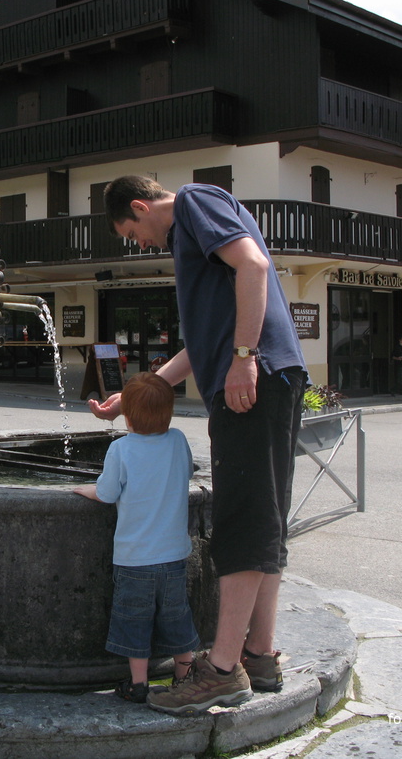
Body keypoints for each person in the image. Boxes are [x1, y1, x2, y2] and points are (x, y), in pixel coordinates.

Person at [89, 176, 307, 714]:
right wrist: (141, 394)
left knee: (244, 523)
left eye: (132, 232)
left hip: (255, 382)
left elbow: (253, 265)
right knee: (265, 518)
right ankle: (258, 655)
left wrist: (243, 358)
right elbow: (199, 343)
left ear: (142, 206)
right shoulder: (193, 234)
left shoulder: (193, 204)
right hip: (270, 377)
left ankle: (223, 671)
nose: (139, 244)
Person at [73, 372, 201, 703]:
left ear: (126, 414)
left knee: (134, 618)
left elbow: (106, 492)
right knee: (176, 615)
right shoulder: (177, 441)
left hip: (134, 558)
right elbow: (187, 472)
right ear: (169, 412)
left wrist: (80, 489)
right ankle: (184, 675)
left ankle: (139, 683)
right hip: (173, 555)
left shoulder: (121, 449)